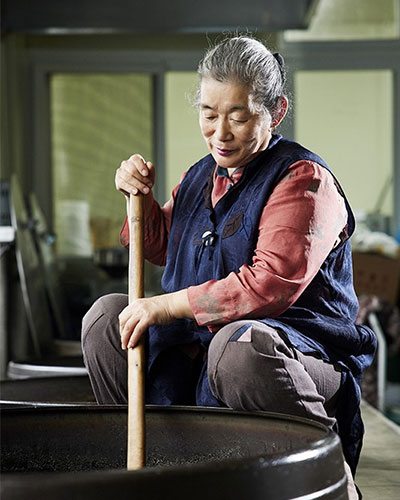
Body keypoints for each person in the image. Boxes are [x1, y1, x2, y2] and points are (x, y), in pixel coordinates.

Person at [82, 35, 376, 498]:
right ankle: (157, 471)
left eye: (238, 116)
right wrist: (138, 200)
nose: (220, 132)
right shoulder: (201, 174)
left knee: (237, 348)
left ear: (275, 112)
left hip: (291, 358)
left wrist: (164, 305)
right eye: (208, 114)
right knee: (105, 318)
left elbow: (267, 287)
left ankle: (330, 476)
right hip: (200, 353)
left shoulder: (304, 180)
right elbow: (165, 246)